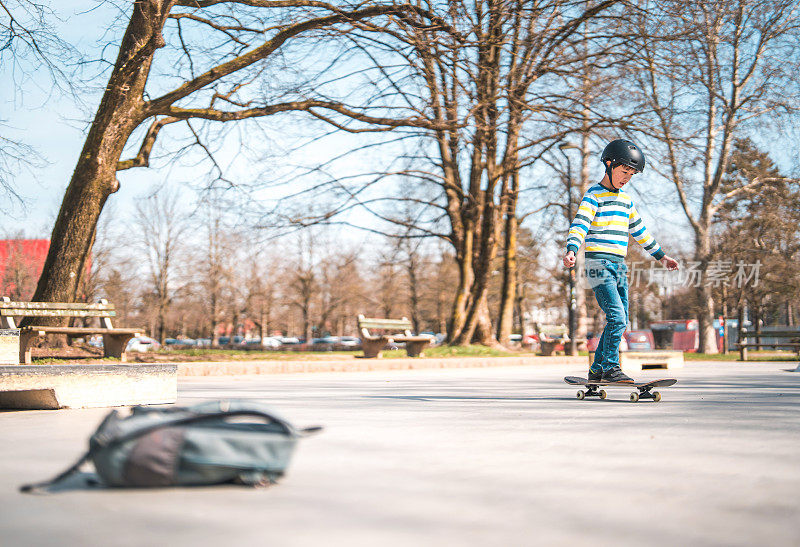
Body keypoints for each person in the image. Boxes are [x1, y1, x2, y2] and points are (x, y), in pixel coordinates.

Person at [563, 139, 679, 384]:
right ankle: (611, 367)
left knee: (620, 318)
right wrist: (572, 248)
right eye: (624, 171)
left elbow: (640, 231)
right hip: (597, 265)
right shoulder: (594, 196)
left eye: (631, 174)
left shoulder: (626, 201)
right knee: (617, 317)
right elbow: (580, 224)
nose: (627, 177)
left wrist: (661, 256)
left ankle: (597, 370)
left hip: (619, 266)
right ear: (609, 164)